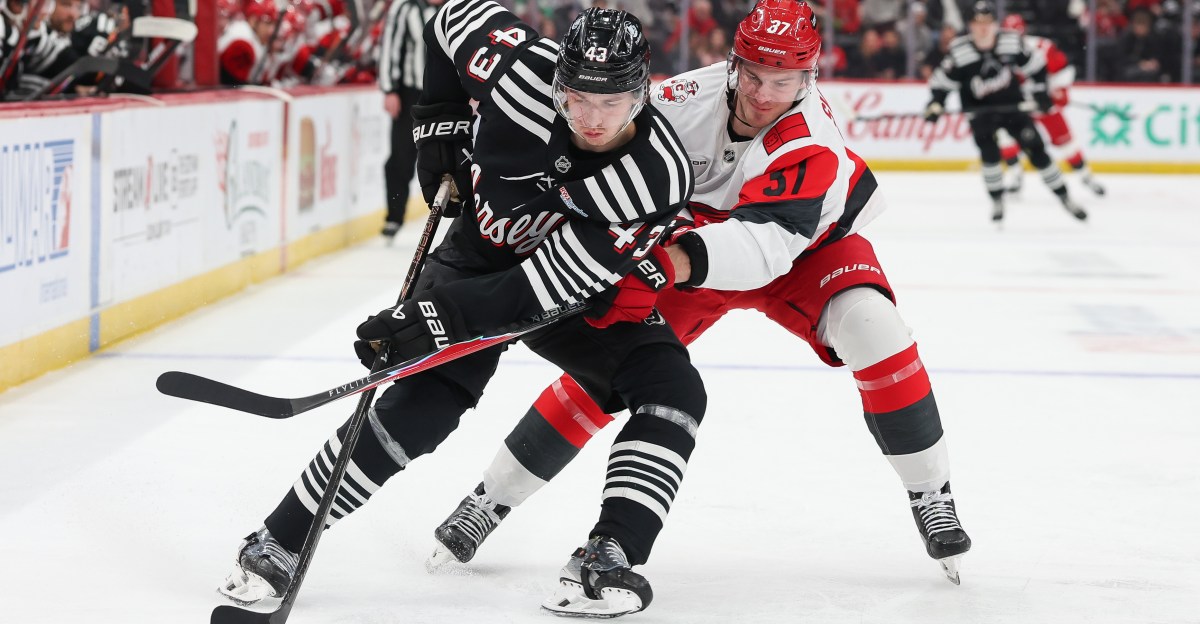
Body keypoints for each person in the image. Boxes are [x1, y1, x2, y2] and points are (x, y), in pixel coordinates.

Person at [427, 0, 974, 597]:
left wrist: (662, 264)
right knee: (612, 365)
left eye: (783, 81)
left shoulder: (813, 139)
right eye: (754, 75)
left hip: (802, 247)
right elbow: (600, 161)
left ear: (809, 77)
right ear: (733, 62)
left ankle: (931, 491)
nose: (763, 95)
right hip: (690, 245)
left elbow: (768, 245)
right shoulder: (679, 100)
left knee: (874, 326)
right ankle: (491, 499)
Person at [217, 3, 705, 619]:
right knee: (422, 409)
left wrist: (433, 318)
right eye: (577, 97)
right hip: (477, 254)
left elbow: (539, 289)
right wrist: (439, 121)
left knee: (671, 389)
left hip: (568, 289)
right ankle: (278, 541)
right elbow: (447, 18)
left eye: (610, 102)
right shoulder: (521, 69)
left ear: (641, 93)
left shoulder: (656, 176)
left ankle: (608, 559)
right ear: (558, 81)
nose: (591, 118)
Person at [924, 0, 1086, 224]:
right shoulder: (960, 51)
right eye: (978, 23)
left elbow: (1037, 67)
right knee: (990, 156)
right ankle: (997, 199)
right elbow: (941, 83)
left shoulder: (1010, 41)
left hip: (1013, 109)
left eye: (987, 22)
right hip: (980, 114)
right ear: (970, 25)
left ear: (995, 24)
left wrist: (1041, 92)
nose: (983, 28)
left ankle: (1064, 196)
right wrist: (935, 103)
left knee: (1037, 151)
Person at [996, 13, 1105, 198]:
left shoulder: (1041, 47)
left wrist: (1058, 91)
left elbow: (1063, 71)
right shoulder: (997, 52)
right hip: (1019, 106)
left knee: (1065, 141)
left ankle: (1086, 177)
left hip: (1043, 104)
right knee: (1005, 137)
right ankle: (1015, 177)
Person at [378, 0, 442, 239]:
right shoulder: (404, 7)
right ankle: (394, 216)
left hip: (444, 94)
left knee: (448, 156)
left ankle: (457, 218)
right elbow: (390, 47)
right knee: (401, 157)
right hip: (410, 94)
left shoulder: (455, 7)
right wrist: (390, 89)